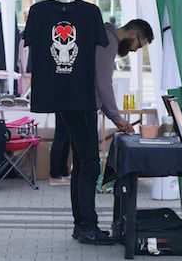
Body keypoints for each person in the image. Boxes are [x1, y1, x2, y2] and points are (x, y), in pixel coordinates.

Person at [23, 0, 112, 245]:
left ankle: (81, 224)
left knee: (83, 164)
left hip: (60, 98)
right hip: (80, 101)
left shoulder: (46, 12)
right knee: (89, 165)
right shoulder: (42, 12)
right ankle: (87, 227)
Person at [48, 18, 153, 187]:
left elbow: (98, 85)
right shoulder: (108, 41)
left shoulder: (101, 35)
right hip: (83, 109)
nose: (135, 50)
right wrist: (117, 118)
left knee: (81, 166)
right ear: (133, 33)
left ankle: (82, 213)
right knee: (89, 168)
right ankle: (87, 214)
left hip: (72, 103)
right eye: (139, 45)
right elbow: (103, 84)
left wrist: (114, 117)